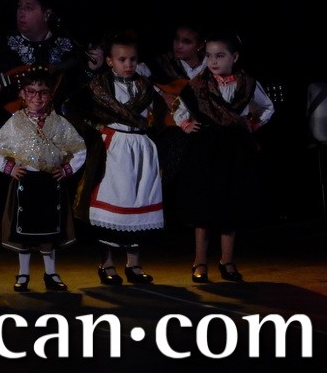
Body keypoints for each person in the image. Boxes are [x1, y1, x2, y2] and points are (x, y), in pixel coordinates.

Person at [0, 0, 103, 241]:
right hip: (11, 125)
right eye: (20, 7)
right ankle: (8, 230)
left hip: (57, 127)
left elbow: (83, 93)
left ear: (48, 14)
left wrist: (93, 69)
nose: (21, 13)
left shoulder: (68, 47)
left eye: (29, 7)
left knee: (92, 142)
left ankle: (75, 226)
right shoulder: (0, 46)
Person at [65, 33, 167, 285]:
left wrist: (154, 127)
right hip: (113, 148)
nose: (128, 64)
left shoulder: (146, 86)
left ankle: (134, 264)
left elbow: (162, 111)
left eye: (132, 59)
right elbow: (72, 108)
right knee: (112, 204)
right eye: (122, 59)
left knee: (138, 200)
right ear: (110, 61)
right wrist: (94, 129)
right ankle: (107, 263)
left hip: (140, 148)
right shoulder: (98, 87)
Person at [173, 31, 274, 283]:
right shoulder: (198, 84)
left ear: (234, 57)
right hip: (206, 147)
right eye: (209, 56)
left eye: (220, 55)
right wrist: (186, 125)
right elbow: (179, 108)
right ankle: (200, 261)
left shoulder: (246, 83)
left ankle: (227, 260)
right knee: (204, 207)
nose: (213, 61)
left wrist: (251, 124)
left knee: (230, 204)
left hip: (234, 147)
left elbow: (267, 107)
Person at [0, 65, 87, 292]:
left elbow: (79, 149)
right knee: (23, 231)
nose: (37, 97)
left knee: (49, 230)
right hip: (25, 183)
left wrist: (66, 170)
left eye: (43, 92)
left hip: (50, 184)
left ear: (51, 95)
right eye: (31, 92)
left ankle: (51, 273)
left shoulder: (59, 123)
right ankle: (23, 274)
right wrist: (10, 169)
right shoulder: (15, 122)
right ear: (23, 94)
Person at [137, 23, 206, 224]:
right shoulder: (164, 63)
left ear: (200, 45)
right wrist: (161, 93)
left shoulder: (209, 66)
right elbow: (134, 71)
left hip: (201, 130)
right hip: (170, 130)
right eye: (177, 39)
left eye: (186, 41)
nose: (179, 45)